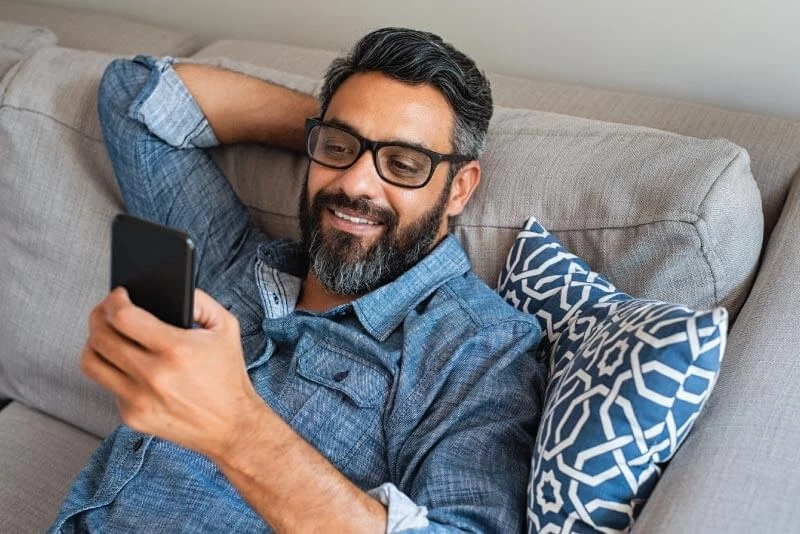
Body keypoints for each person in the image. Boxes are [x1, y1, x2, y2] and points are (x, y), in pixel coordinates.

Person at [50, 28, 546, 533]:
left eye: (402, 163)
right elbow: (133, 96)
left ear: (459, 187)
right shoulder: (237, 261)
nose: (355, 183)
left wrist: (237, 428)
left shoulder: (481, 349)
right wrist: (339, 132)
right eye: (337, 148)